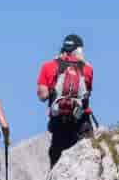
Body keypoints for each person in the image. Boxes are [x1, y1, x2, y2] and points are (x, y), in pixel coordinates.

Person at [37, 34, 95, 168]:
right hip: (81, 120)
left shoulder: (48, 66)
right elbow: (87, 94)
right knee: (86, 162)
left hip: (58, 122)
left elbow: (42, 95)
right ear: (79, 50)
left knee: (56, 161)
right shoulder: (88, 69)